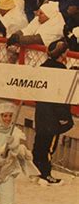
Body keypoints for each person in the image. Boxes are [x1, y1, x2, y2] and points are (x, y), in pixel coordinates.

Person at [33, 40, 74, 185]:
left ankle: (36, 170)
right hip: (54, 113)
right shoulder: (62, 70)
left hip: (41, 110)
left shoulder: (43, 67)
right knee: (49, 145)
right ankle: (46, 174)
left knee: (40, 140)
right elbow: (61, 96)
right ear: (62, 54)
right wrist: (64, 116)